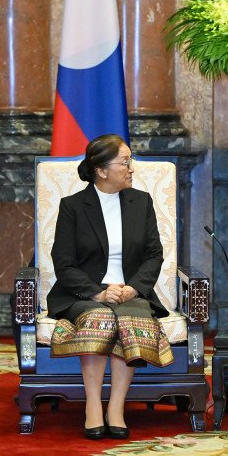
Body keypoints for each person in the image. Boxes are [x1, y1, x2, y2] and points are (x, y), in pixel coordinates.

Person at [47, 134, 173, 440]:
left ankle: (116, 407)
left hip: (130, 291)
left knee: (131, 319)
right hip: (84, 294)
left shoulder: (140, 202)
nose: (132, 168)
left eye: (131, 161)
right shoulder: (73, 207)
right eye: (125, 162)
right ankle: (93, 404)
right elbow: (63, 263)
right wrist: (98, 292)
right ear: (102, 170)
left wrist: (135, 288)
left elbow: (154, 254)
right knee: (100, 318)